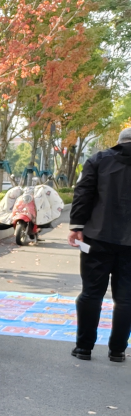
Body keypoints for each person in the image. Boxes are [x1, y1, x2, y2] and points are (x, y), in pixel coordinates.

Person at [69, 126, 131, 363]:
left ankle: (84, 347)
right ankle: (117, 350)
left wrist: (76, 226)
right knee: (127, 298)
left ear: (119, 141)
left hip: (98, 237)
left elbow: (83, 193)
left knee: (91, 293)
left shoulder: (99, 160)